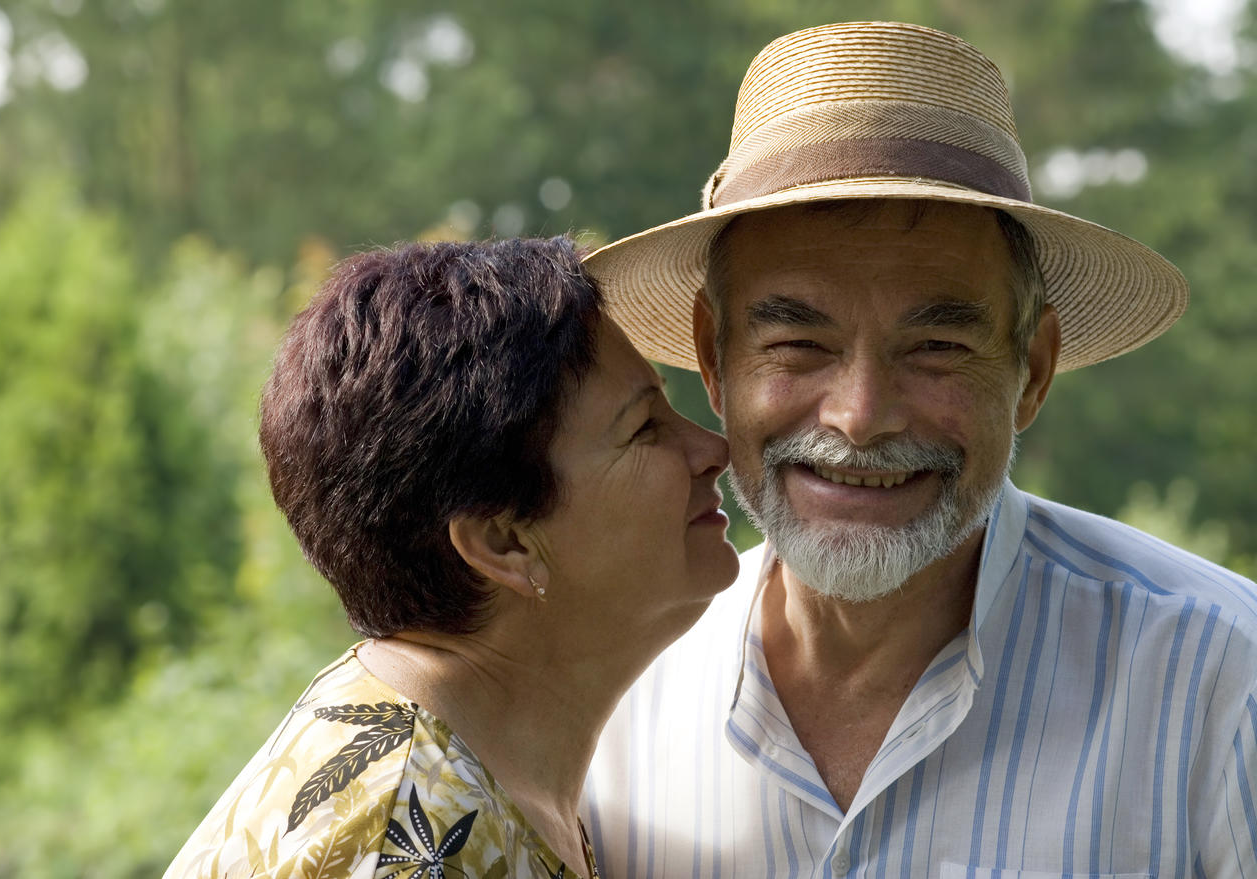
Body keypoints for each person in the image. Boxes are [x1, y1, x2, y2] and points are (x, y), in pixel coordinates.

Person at [583, 21, 1257, 877]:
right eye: (800, 345)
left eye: (935, 348)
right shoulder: (612, 700)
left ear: (1033, 370)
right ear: (714, 359)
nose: (861, 417)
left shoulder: (1221, 681)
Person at [163, 237, 739, 878]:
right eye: (642, 429)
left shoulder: (470, 772)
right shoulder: (402, 837)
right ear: (504, 542)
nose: (712, 448)